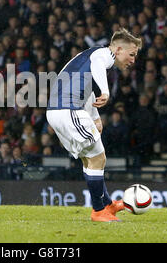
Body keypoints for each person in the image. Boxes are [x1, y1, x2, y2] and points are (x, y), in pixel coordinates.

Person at [46, 28, 142, 222]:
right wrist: (105, 92)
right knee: (98, 157)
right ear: (118, 49)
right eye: (131, 55)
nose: (132, 60)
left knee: (91, 158)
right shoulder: (102, 55)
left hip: (61, 111)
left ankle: (106, 205)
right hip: (68, 110)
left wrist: (95, 116)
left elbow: (84, 86)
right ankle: (98, 210)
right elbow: (97, 66)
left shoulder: (91, 54)